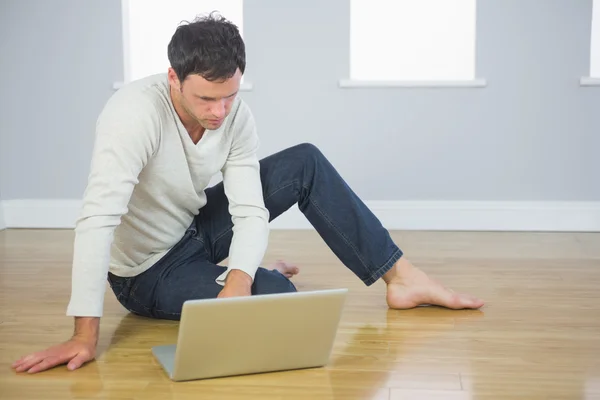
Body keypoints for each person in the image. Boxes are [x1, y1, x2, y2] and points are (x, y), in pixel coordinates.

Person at [12, 13, 483, 375]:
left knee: (305, 161)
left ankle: (400, 277)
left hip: (194, 228)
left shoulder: (235, 115)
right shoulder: (132, 115)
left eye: (230, 96)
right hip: (146, 271)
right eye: (206, 99)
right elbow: (98, 221)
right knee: (277, 293)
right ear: (174, 78)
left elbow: (249, 207)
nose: (220, 112)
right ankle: (252, 272)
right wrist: (83, 335)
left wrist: (237, 279)